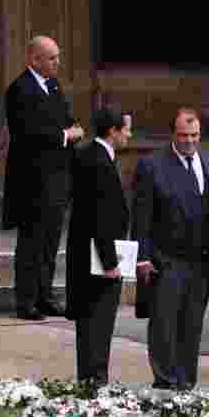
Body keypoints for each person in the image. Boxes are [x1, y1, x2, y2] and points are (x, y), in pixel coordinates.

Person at [133, 108, 209, 390]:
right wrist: (142, 257)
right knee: (164, 321)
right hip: (167, 257)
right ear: (172, 134)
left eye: (194, 135)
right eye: (183, 135)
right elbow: (142, 215)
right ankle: (166, 381)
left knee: (192, 322)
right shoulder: (152, 165)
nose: (189, 141)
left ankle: (186, 381)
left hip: (202, 258)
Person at [2, 36, 84, 320]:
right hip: (32, 181)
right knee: (31, 244)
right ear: (34, 59)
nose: (57, 62)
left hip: (57, 177)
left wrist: (72, 127)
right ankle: (26, 303)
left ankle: (45, 297)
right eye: (52, 58)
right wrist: (65, 135)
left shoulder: (54, 85)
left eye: (58, 56)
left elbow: (63, 118)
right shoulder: (19, 90)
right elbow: (27, 134)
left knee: (50, 241)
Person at [65, 108, 132, 387]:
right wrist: (111, 263)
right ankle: (95, 382)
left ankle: (89, 380)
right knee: (98, 322)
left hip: (86, 252)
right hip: (97, 257)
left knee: (89, 324)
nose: (130, 135)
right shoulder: (99, 161)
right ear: (113, 131)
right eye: (126, 129)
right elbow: (100, 216)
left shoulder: (89, 154)